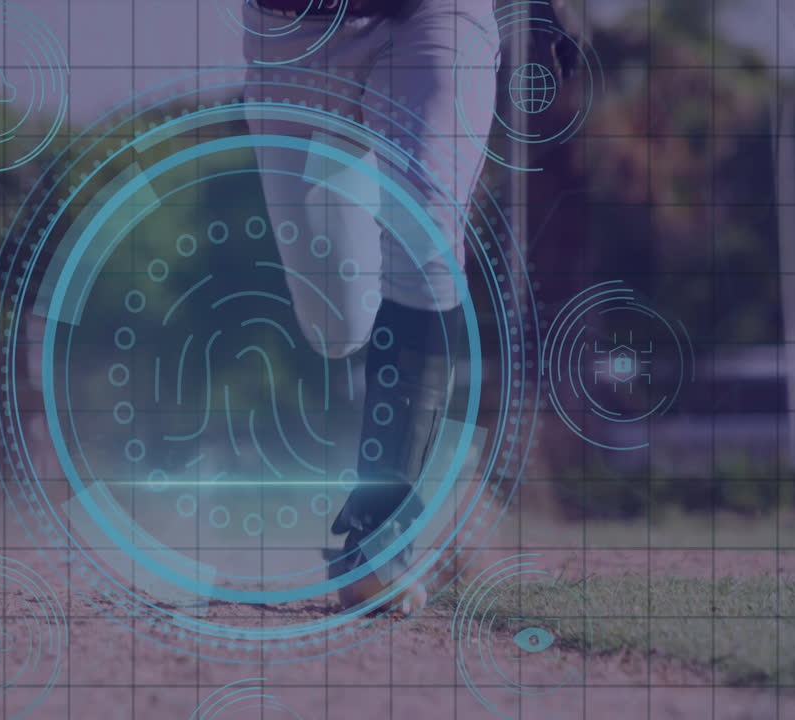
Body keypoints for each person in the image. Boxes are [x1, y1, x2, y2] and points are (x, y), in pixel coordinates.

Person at [241, 0, 579, 614]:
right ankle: (429, 446)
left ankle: (380, 537)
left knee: (426, 241)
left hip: (434, 17)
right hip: (294, 32)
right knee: (334, 324)